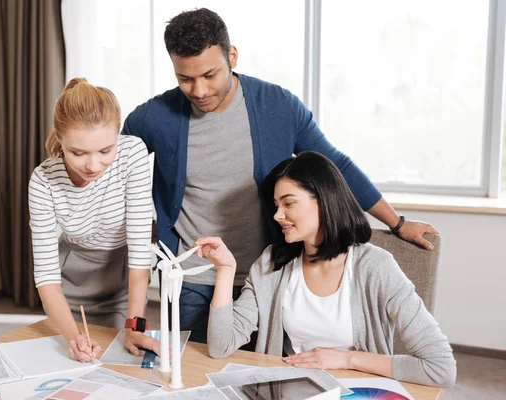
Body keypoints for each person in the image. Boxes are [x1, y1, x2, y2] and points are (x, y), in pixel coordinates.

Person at [123, 8, 439, 343]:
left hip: (268, 276)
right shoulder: (155, 116)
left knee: (268, 378)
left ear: (232, 56)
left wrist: (397, 223)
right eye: (185, 79)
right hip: (192, 278)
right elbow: (113, 159)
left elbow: (336, 167)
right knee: (194, 378)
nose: (199, 90)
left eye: (210, 75)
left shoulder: (278, 106)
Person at [194, 151, 456, 387]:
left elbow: (440, 368)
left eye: (288, 203)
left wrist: (346, 359)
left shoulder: (375, 267)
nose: (277, 215)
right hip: (292, 389)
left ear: (323, 200)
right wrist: (226, 270)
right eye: (276, 205)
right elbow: (220, 346)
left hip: (357, 389)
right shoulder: (272, 263)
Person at [29, 78, 158, 362]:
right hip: (69, 288)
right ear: (59, 138)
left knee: (121, 366)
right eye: (78, 153)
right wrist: (73, 337)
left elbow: (139, 256)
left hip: (122, 279)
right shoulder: (43, 181)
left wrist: (134, 326)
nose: (93, 165)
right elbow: (47, 277)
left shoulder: (132, 155)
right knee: (72, 362)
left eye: (105, 150)